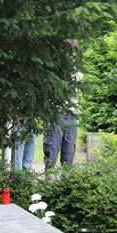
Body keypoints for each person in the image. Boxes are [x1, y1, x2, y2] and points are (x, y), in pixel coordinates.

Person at [43, 39, 82, 168]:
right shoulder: (55, 70)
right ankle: (49, 184)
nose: (72, 56)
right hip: (56, 115)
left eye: (74, 53)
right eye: (69, 53)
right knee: (51, 152)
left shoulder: (78, 72)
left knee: (69, 153)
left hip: (72, 117)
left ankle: (66, 185)